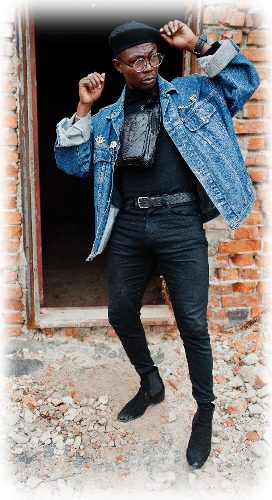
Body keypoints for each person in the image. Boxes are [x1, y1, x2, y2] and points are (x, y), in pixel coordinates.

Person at [54, 19, 260, 469]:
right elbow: (73, 164)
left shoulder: (192, 93)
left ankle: (204, 412)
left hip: (182, 223)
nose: (147, 68)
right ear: (118, 66)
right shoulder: (108, 116)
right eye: (136, 61)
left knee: (193, 324)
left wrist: (200, 44)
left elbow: (245, 82)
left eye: (153, 57)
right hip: (130, 225)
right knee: (120, 311)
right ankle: (152, 384)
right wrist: (84, 109)